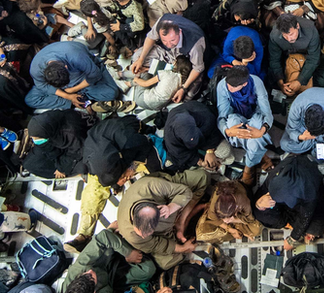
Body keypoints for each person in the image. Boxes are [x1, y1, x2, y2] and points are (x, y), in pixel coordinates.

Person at [64, 116, 158, 253]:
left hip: (132, 143)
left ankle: (129, 226)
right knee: (93, 190)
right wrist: (115, 182)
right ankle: (83, 234)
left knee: (149, 176)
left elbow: (145, 143)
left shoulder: (129, 140)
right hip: (109, 157)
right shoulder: (89, 153)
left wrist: (129, 169)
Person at [63, 228, 166, 293]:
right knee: (148, 269)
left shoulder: (78, 270)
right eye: (91, 277)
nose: (89, 272)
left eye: (85, 274)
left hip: (107, 266)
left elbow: (102, 237)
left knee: (112, 235)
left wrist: (128, 252)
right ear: (94, 292)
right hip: (112, 288)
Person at [116, 169, 209, 268]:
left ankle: (180, 222)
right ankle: (179, 225)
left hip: (167, 198)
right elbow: (156, 244)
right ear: (132, 217)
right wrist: (182, 248)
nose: (143, 237)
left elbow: (185, 192)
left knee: (202, 177)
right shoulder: (132, 235)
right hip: (162, 231)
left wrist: (172, 207)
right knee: (168, 262)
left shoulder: (151, 186)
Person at [253, 156, 324, 250]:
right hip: (286, 193)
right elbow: (266, 189)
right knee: (261, 214)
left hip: (305, 197)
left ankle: (291, 224)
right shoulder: (275, 177)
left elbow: (305, 216)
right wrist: (260, 203)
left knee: (316, 227)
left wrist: (292, 239)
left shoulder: (310, 194)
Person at [216, 67, 274, 185]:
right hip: (235, 115)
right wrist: (227, 131)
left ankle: (248, 168)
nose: (229, 88)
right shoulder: (222, 86)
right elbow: (221, 117)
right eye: (229, 84)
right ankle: (261, 155)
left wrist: (263, 130)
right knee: (232, 123)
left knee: (257, 126)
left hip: (255, 115)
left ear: (244, 84)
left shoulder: (256, 82)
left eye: (233, 86)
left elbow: (267, 113)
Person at [130, 13, 205, 100]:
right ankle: (153, 70)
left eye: (172, 40)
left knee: (189, 94)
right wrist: (141, 59)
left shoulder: (195, 44)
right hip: (167, 52)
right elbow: (151, 37)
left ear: (179, 32)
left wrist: (183, 88)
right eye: (164, 40)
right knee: (136, 57)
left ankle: (162, 73)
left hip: (186, 60)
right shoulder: (162, 22)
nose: (169, 44)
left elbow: (198, 68)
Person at [25, 41, 120, 110]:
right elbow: (42, 85)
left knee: (112, 93)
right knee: (30, 100)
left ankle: (81, 98)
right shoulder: (36, 68)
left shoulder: (76, 57)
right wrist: (68, 97)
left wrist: (72, 90)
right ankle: (75, 101)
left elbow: (95, 75)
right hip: (61, 88)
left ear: (66, 67)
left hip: (80, 77)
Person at [283, 87, 324, 163]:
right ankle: (314, 148)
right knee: (284, 144)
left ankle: (312, 150)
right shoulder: (297, 108)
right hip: (304, 130)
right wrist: (300, 137)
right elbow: (291, 128)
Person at [22, 110, 87, 179]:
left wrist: (61, 168)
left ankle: (69, 172)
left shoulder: (71, 134)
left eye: (36, 137)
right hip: (52, 140)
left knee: (78, 167)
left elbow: (75, 152)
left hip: (76, 150)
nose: (33, 139)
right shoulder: (46, 122)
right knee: (29, 164)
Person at [163, 102, 225, 173]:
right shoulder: (171, 138)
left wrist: (210, 150)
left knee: (225, 151)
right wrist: (200, 162)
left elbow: (215, 130)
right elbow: (181, 154)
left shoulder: (204, 116)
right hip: (192, 148)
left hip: (206, 136)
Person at [195, 180, 262, 242]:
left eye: (227, 218)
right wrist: (229, 229)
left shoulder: (243, 202)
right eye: (223, 218)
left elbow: (250, 219)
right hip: (231, 219)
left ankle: (238, 229)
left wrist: (234, 220)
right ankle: (238, 230)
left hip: (239, 216)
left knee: (256, 230)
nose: (225, 221)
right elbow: (212, 217)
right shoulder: (216, 203)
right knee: (203, 234)